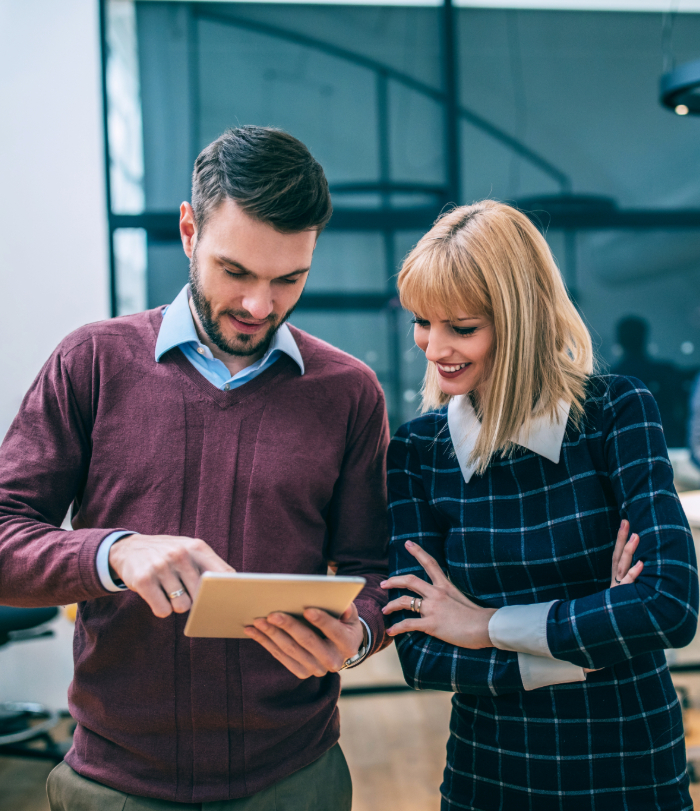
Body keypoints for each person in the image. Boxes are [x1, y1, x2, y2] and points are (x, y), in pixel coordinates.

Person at [0, 126, 389, 810]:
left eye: (288, 278)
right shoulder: (90, 362)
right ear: (188, 230)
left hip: (294, 778)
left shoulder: (349, 391)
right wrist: (113, 552)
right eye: (234, 271)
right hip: (113, 782)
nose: (258, 306)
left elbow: (376, 567)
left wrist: (356, 633)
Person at [380, 201, 698, 810]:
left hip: (629, 768)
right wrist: (594, 635)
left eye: (462, 328)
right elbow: (421, 653)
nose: (433, 347)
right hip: (489, 771)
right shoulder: (418, 451)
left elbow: (670, 606)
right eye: (423, 321)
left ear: (520, 319)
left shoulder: (614, 413)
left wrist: (483, 627)